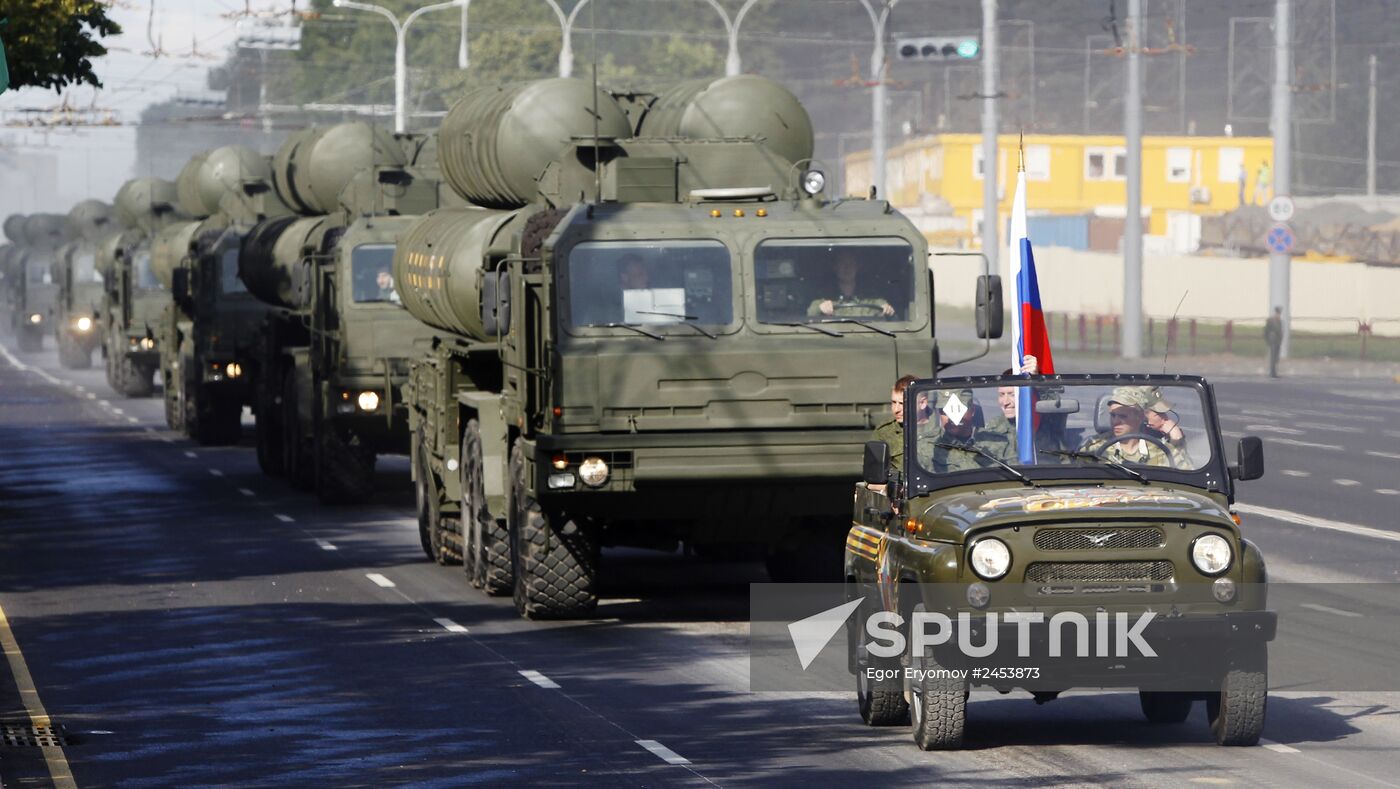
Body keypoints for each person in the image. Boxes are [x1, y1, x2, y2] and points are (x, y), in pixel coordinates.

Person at [1080, 387, 1188, 468]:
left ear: (1140, 417)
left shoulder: (1161, 451)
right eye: (1113, 415)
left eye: (1123, 416)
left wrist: (1177, 439)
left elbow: (1185, 479)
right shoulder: (1093, 448)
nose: (1115, 421)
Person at [916, 388, 1014, 472]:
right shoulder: (925, 447)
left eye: (958, 409)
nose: (951, 417)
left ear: (972, 411)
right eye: (945, 411)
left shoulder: (1000, 442)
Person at [808, 255, 895, 318]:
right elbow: (810, 314)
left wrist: (887, 309)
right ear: (835, 267)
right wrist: (820, 309)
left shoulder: (871, 298)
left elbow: (889, 313)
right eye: (842, 263)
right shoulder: (824, 297)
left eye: (851, 263)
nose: (847, 267)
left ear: (857, 267)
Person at [871, 374, 918, 488]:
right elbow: (873, 476)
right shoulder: (884, 432)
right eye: (893, 402)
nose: (896, 410)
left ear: (922, 403)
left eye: (902, 403)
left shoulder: (940, 430)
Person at [1264, 306, 1283, 378]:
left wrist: (1281, 340)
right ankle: (1272, 373)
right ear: (1275, 312)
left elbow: (1280, 331)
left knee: (1276, 358)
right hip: (1272, 341)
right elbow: (1266, 331)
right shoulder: (1270, 320)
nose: (1278, 314)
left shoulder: (1280, 321)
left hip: (1278, 341)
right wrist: (1267, 341)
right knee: (1273, 357)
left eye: (1279, 313)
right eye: (1278, 313)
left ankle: (1275, 372)